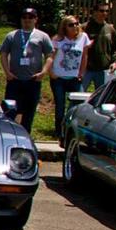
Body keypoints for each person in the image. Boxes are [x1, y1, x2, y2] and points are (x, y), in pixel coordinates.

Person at [0, 7, 54, 132]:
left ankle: (26, 136)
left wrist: (44, 72)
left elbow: (50, 56)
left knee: (29, 113)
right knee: (10, 110)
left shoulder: (42, 36)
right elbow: (3, 54)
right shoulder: (12, 35)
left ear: (36, 19)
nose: (27, 20)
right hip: (15, 80)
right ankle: (9, 134)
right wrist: (7, 72)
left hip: (33, 80)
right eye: (24, 17)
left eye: (30, 17)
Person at [50, 15, 90, 143]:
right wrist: (51, 73)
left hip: (75, 77)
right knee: (60, 105)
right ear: (64, 27)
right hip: (59, 77)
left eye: (77, 23)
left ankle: (71, 130)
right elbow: (50, 57)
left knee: (76, 106)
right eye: (71, 25)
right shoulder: (58, 39)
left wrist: (81, 73)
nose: (75, 26)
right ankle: (59, 131)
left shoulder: (83, 37)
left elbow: (84, 56)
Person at [81, 0, 116, 91]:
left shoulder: (110, 29)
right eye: (101, 11)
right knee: (79, 94)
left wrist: (115, 62)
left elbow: (115, 48)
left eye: (107, 11)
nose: (104, 13)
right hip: (86, 69)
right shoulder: (84, 28)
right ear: (94, 12)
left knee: (101, 96)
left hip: (103, 69)